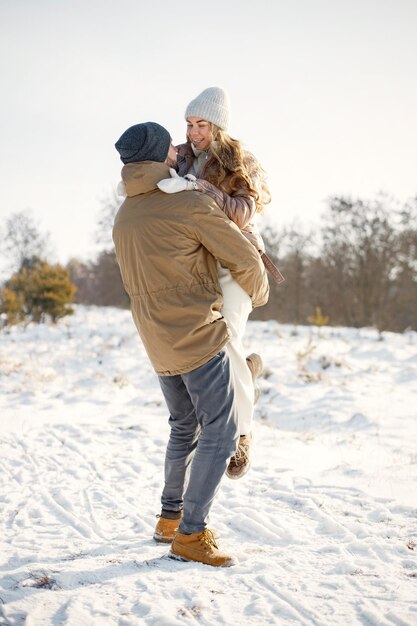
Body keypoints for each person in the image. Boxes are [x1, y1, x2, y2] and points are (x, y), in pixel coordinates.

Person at [112, 121, 269, 567]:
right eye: (171, 146)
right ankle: (191, 535)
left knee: (184, 425)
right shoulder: (185, 204)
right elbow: (244, 256)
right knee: (220, 430)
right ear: (161, 155)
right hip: (197, 334)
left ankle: (168, 518)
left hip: (156, 340)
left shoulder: (124, 216)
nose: (178, 149)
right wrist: (258, 294)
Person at [157, 86, 283, 480]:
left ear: (218, 126)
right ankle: (245, 372)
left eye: (201, 125)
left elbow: (243, 212)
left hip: (237, 262)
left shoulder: (237, 161)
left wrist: (203, 189)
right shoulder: (179, 158)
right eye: (190, 124)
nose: (193, 132)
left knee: (222, 337)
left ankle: (242, 434)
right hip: (200, 263)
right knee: (212, 344)